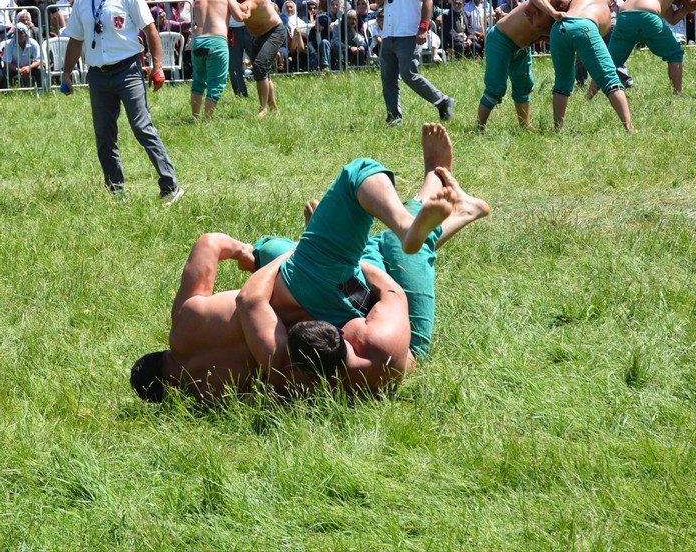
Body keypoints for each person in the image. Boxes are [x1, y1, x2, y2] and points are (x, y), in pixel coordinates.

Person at [131, 124, 490, 401]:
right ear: (158, 356)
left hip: (320, 339)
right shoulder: (183, 324)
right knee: (356, 178)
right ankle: (412, 214)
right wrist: (249, 252)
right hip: (305, 282)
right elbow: (210, 246)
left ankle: (449, 200)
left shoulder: (214, 397)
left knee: (376, 250)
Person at [60, 0, 183, 204]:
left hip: (127, 69)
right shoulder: (82, 1)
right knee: (104, 136)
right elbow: (75, 40)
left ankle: (170, 186)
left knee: (141, 127)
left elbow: (150, 30)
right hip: (98, 75)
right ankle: (116, 190)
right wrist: (67, 73)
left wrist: (158, 67)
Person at [586, 0, 696, 99]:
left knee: (609, 63)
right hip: (646, 16)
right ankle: (677, 95)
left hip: (624, 18)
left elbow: (673, 19)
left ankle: (588, 97)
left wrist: (686, 8)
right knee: (675, 53)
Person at [532, 0, 634, 132]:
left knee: (562, 82)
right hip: (586, 28)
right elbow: (596, 49)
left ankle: (558, 129)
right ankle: (629, 128)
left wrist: (542, 6)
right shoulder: (608, 14)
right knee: (610, 77)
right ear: (612, 3)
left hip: (559, 28)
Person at [376, 0, 454, 126]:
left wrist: (423, 28)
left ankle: (442, 101)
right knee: (388, 79)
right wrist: (380, 5)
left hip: (409, 32)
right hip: (389, 32)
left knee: (409, 75)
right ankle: (393, 118)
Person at [476, 0, 568, 131]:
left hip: (522, 47)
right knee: (495, 88)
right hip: (501, 39)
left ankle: (524, 126)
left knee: (524, 85)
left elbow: (544, 36)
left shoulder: (563, 21)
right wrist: (554, 13)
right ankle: (479, 128)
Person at [225, 0, 285, 118]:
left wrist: (229, 0)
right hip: (258, 36)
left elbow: (244, 12)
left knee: (259, 66)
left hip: (274, 32)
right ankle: (273, 107)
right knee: (263, 71)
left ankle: (262, 109)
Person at [190, 0, 247, 120]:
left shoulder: (199, 0)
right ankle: (207, 121)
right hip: (216, 42)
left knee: (198, 81)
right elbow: (239, 17)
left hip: (198, 41)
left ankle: (195, 118)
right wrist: (248, 12)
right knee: (216, 83)